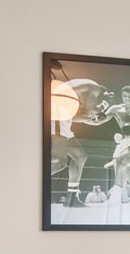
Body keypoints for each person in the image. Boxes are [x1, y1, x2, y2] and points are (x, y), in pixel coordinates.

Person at [47, 76, 112, 207]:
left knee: (80, 156)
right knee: (59, 162)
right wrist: (105, 108)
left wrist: (94, 118)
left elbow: (76, 116)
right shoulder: (93, 87)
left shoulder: (78, 91)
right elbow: (89, 111)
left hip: (63, 118)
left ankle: (72, 196)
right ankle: (27, 185)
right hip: (57, 117)